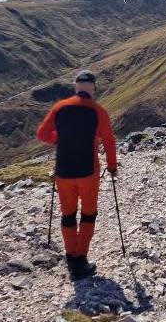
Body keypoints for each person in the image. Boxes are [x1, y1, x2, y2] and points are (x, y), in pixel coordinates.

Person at [36, 70, 118, 281]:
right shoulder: (98, 111)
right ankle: (81, 259)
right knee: (88, 214)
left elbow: (42, 134)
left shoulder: (59, 108)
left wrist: (61, 140)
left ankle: (71, 256)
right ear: (93, 88)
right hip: (88, 172)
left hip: (63, 171)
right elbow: (109, 141)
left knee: (68, 215)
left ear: (76, 87)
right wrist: (111, 166)